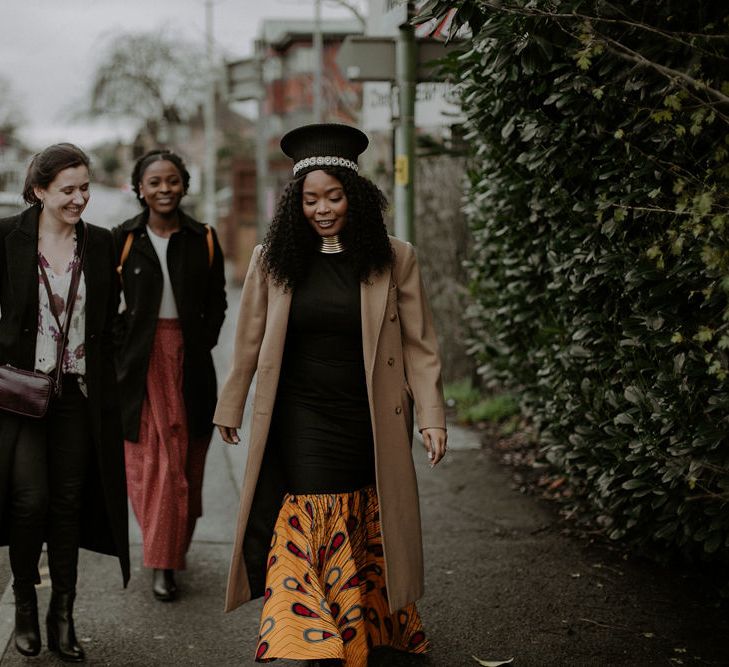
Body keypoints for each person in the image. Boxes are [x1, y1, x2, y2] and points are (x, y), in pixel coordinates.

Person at [215, 123, 448, 666]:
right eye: (310, 199)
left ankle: (372, 632)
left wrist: (432, 416)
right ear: (294, 203)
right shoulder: (272, 259)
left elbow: (421, 344)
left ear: (356, 197)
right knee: (311, 510)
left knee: (367, 514)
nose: (322, 209)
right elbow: (247, 338)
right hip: (301, 414)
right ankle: (317, 638)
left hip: (369, 415)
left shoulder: (394, 258)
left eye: (333, 197)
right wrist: (231, 403)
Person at [0, 143, 130, 662]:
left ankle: (64, 614)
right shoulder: (7, 237)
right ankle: (26, 603)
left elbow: (113, 316)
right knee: (30, 501)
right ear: (39, 191)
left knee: (69, 506)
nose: (79, 199)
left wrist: (107, 365)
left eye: (84, 189)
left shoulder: (100, 243)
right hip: (22, 395)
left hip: (78, 395)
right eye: (68, 190)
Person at [112, 149, 226, 602]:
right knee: (148, 467)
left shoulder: (205, 238)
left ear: (185, 185)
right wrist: (127, 349)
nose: (164, 189)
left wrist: (199, 343)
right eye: (155, 182)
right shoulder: (122, 239)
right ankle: (162, 558)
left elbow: (217, 303)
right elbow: (106, 309)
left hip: (190, 367)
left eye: (172, 181)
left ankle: (168, 555)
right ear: (139, 187)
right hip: (139, 369)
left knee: (182, 466)